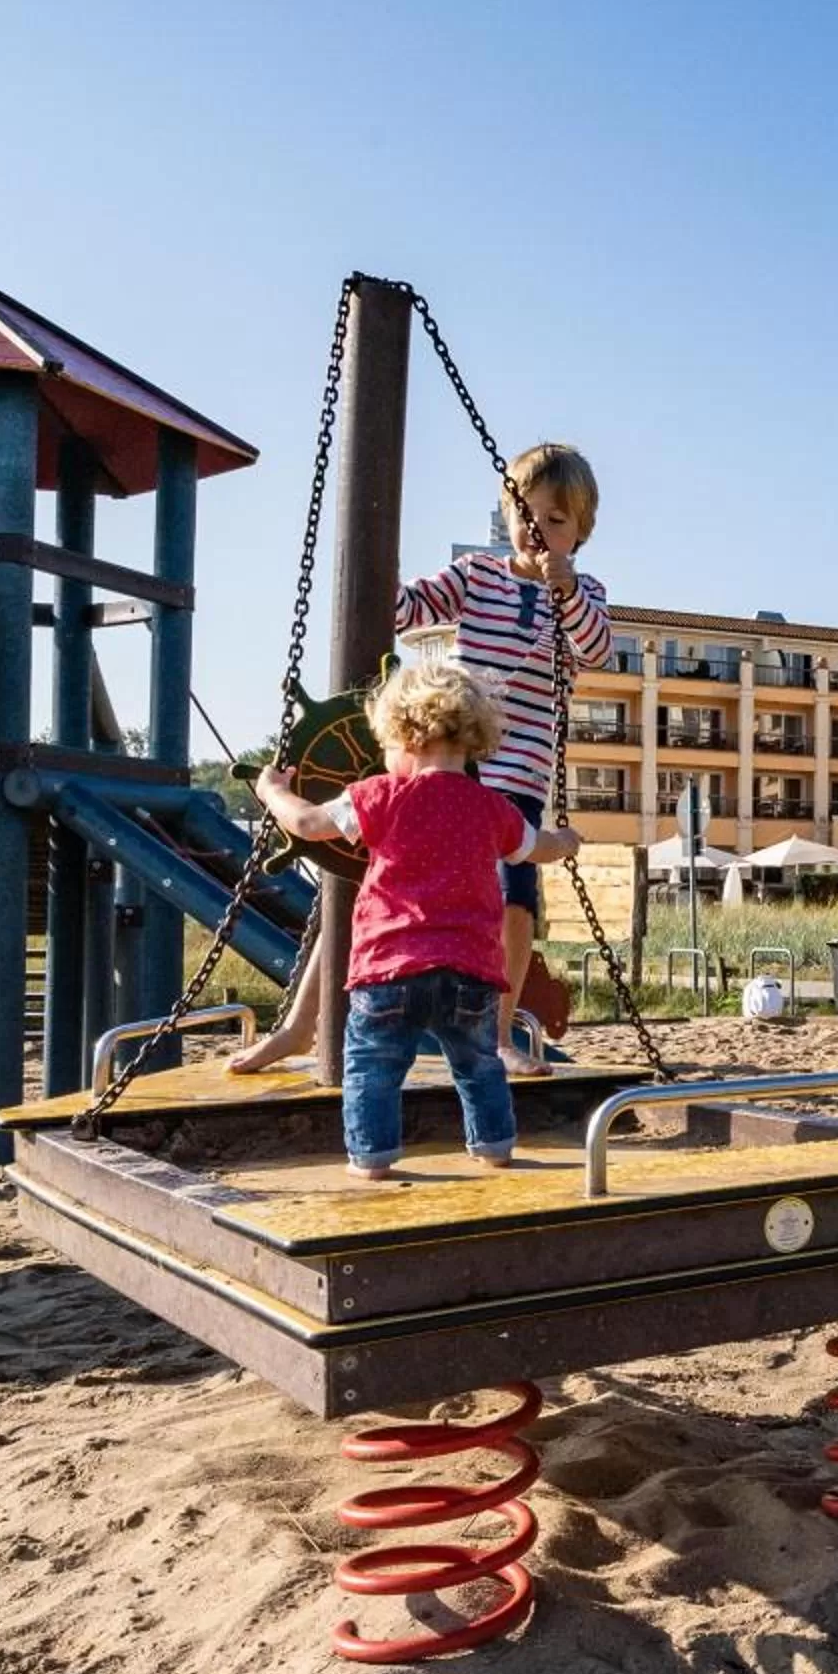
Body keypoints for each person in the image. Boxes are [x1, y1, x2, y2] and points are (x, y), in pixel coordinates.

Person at [233, 442, 612, 1077]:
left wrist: (567, 591)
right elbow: (405, 613)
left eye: (555, 521)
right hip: (445, 758)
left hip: (517, 771)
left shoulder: (583, 593)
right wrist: (378, 565)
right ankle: (299, 1026)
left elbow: (596, 650)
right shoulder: (478, 576)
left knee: (516, 896)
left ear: (580, 532)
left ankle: (497, 1032)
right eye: (526, 514)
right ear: (507, 514)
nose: (537, 530)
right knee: (370, 878)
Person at [252, 661, 579, 1176]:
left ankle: (372, 1160)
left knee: (373, 1066)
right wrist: (568, 840)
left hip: (390, 968)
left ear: (405, 736)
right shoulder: (492, 807)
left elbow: (308, 823)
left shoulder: (380, 794)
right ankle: (495, 1147)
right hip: (471, 971)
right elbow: (540, 848)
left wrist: (272, 791)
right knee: (479, 1065)